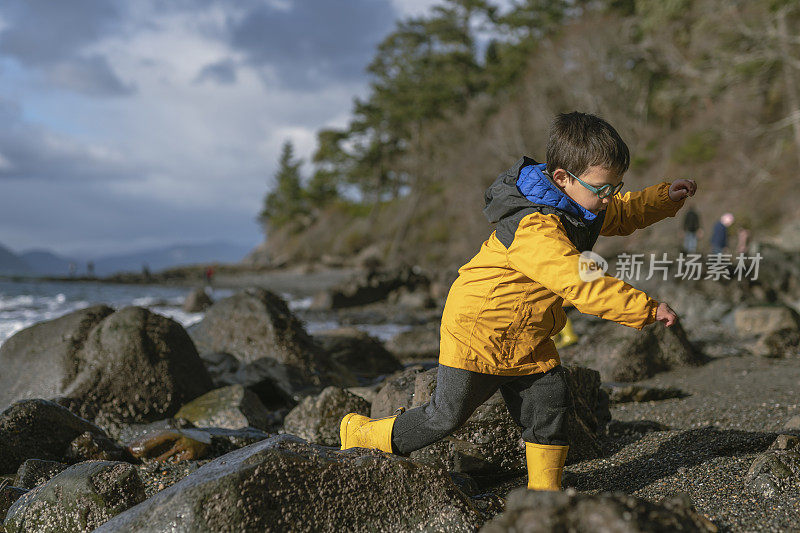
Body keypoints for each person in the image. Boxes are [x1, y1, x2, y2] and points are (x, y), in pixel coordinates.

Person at [340, 112, 696, 491]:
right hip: (479, 332)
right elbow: (581, 283)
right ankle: (361, 434)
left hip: (526, 335)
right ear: (561, 178)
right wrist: (645, 308)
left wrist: (662, 198)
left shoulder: (581, 204)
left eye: (615, 186)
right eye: (602, 188)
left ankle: (545, 492)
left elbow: (622, 210)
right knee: (444, 416)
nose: (609, 197)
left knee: (550, 402)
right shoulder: (535, 227)